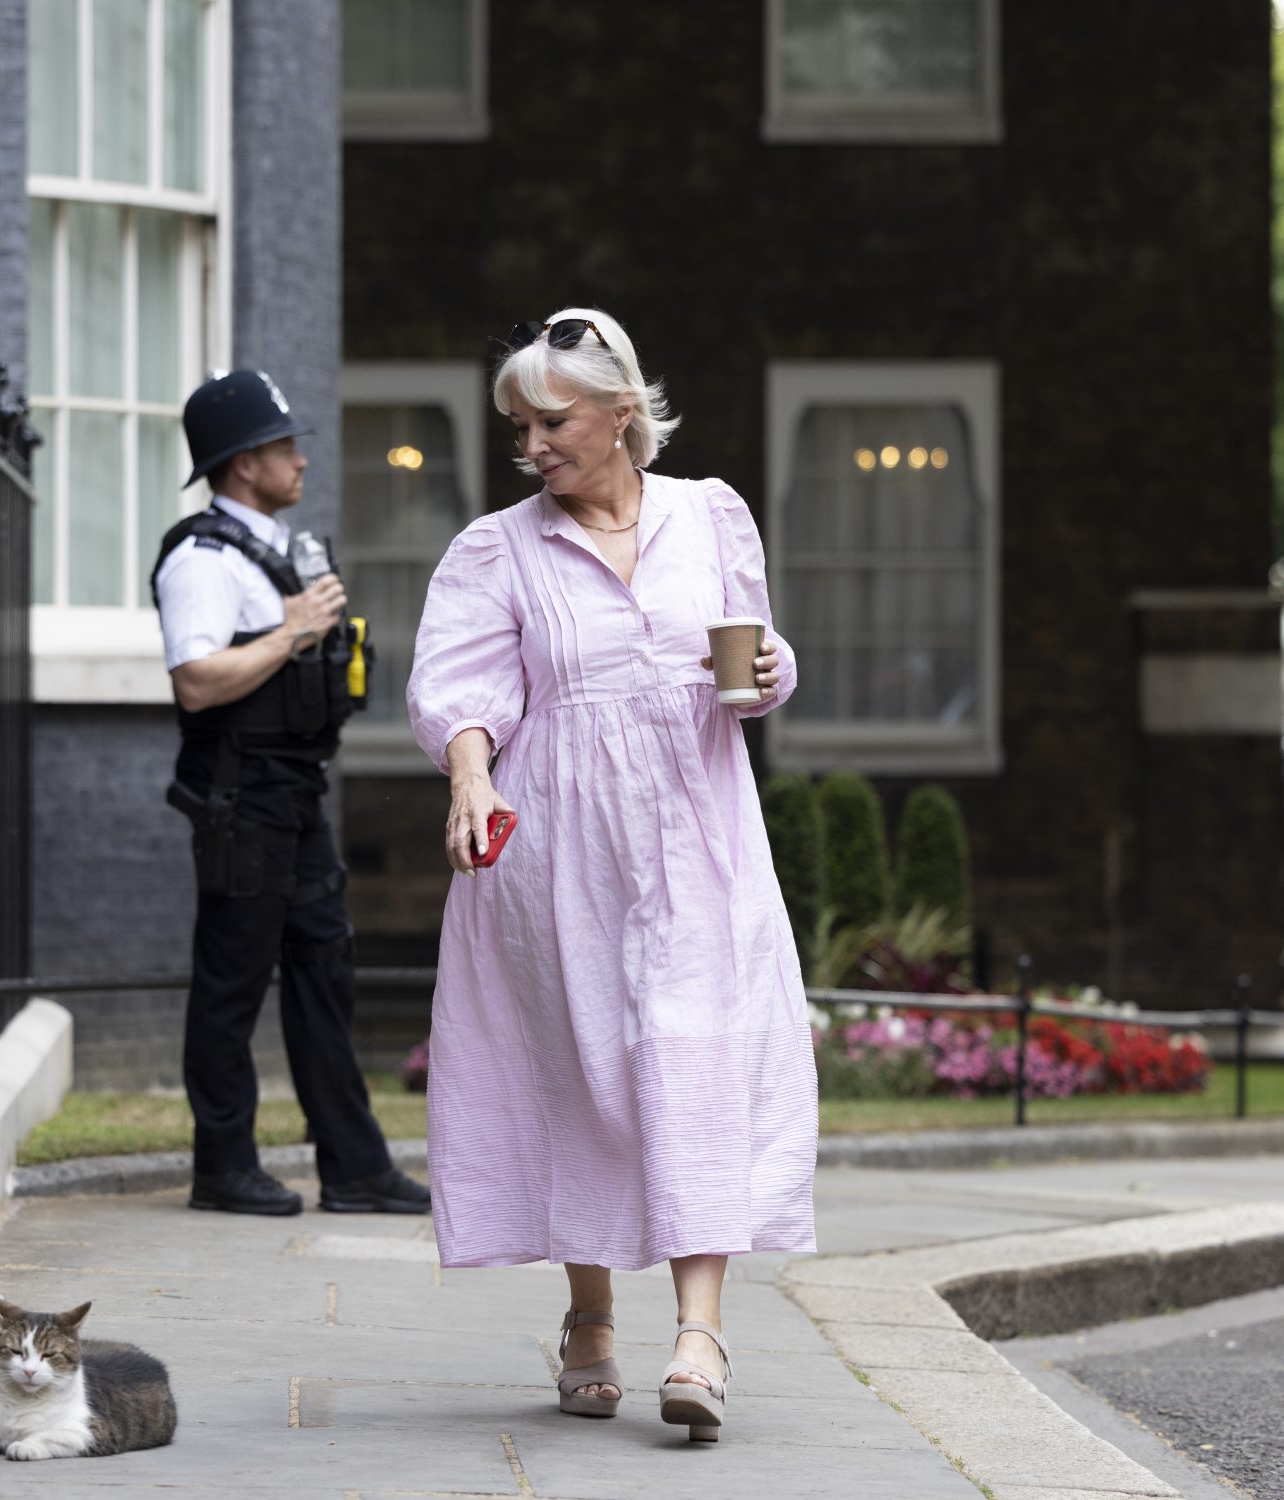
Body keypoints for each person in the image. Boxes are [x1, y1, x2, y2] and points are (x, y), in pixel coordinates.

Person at [404, 310, 815, 1439]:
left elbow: (754, 656)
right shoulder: (498, 549)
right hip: (560, 848)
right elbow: (462, 689)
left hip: (698, 833)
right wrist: (471, 778)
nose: (531, 444)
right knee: (583, 1066)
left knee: (695, 1058)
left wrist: (773, 671)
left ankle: (699, 1335)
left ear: (621, 410)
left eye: (552, 421)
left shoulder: (713, 514)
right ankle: (590, 1317)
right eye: (519, 427)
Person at [150, 368, 432, 1219]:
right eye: (282, 448)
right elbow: (198, 682)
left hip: (295, 796)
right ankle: (223, 1165)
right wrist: (295, 630)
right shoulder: (200, 560)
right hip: (241, 799)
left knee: (325, 971)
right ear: (241, 465)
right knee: (233, 983)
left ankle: (354, 1166)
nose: (301, 461)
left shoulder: (281, 549)